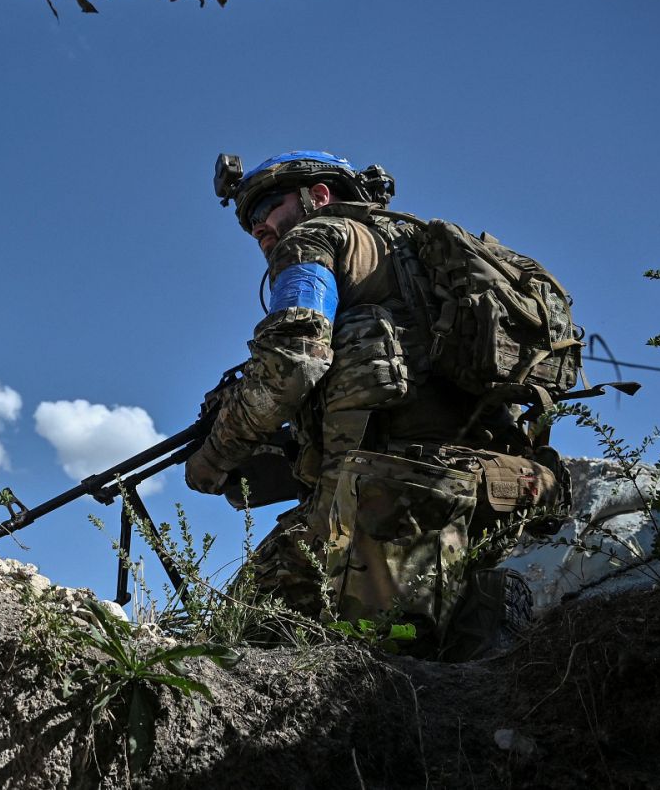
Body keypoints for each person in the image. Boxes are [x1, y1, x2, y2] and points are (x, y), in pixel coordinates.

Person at [185, 150, 547, 659]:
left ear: (319, 196)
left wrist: (215, 455)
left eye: (268, 206)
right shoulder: (420, 250)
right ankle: (480, 616)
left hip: (386, 492)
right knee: (435, 654)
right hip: (495, 481)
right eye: (249, 223)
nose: (259, 228)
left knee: (250, 622)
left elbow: (294, 359)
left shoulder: (313, 239)